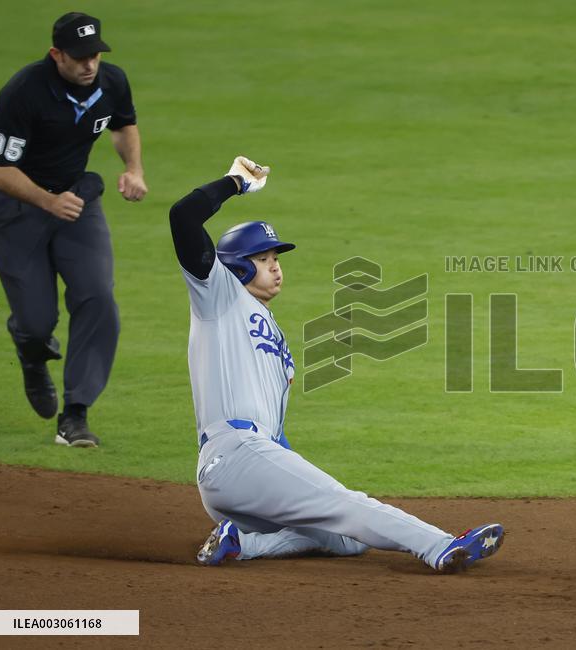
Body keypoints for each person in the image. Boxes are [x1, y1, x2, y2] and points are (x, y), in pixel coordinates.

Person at [169, 157, 504, 571]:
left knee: (345, 540)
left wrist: (291, 469)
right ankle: (440, 546)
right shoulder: (216, 294)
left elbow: (274, 433)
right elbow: (182, 216)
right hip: (235, 453)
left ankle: (242, 543)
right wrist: (235, 182)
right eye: (262, 259)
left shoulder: (270, 332)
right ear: (235, 265)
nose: (275, 266)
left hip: (243, 469)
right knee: (343, 502)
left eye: (276, 257)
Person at [0, 12, 147, 447]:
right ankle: (31, 350)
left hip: (74, 202)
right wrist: (48, 201)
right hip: (13, 207)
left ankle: (75, 414)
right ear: (56, 54)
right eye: (78, 57)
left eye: (94, 54)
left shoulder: (111, 81)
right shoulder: (24, 92)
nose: (89, 64)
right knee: (37, 320)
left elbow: (124, 123)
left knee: (97, 296)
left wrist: (133, 168)